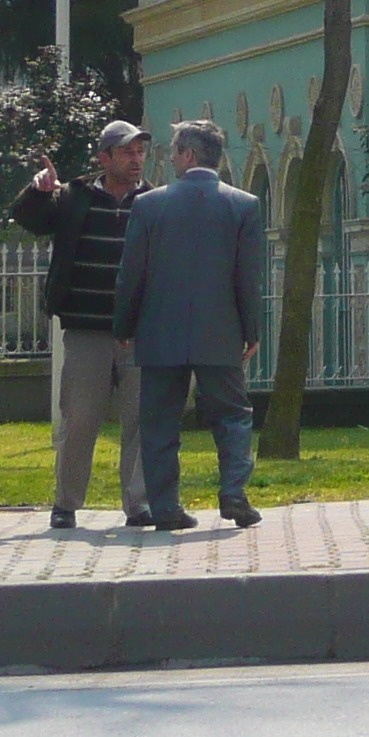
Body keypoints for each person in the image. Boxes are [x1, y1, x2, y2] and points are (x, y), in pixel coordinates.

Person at [112, 121, 265, 532]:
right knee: (232, 416)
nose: (170, 158)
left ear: (189, 156)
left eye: (174, 151)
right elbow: (247, 277)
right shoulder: (244, 205)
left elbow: (132, 274)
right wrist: (251, 330)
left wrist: (124, 323)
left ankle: (165, 508)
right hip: (221, 332)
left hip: (159, 331)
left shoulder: (148, 205)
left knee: (159, 421)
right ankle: (234, 492)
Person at [15, 121, 154, 532]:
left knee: (140, 421)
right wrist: (39, 192)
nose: (136, 160)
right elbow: (31, 221)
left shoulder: (153, 200)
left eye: (140, 152)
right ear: (104, 158)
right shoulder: (74, 196)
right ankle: (66, 503)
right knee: (79, 419)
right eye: (127, 152)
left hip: (138, 332)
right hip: (85, 330)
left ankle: (139, 504)